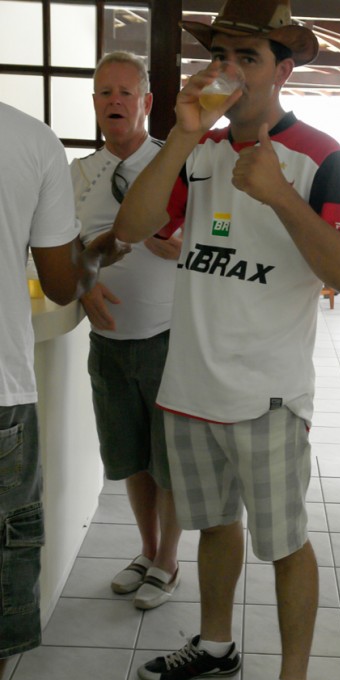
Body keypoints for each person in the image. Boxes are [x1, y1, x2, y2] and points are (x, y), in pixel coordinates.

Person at [114, 0, 340, 680]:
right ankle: (217, 644)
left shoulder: (320, 157)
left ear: (283, 70)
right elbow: (133, 228)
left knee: (285, 543)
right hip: (191, 386)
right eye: (220, 56)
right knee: (213, 526)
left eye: (247, 58)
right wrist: (181, 136)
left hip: (270, 395)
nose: (228, 71)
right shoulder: (198, 151)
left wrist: (282, 195)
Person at [0, 101, 128, 680]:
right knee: (3, 558)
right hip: (0, 393)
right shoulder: (29, 139)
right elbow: (59, 282)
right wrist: (98, 252)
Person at [71, 51, 182, 611]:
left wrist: (183, 246)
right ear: (94, 103)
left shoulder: (176, 164)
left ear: (146, 102)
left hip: (170, 338)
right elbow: (60, 249)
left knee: (170, 460)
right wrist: (82, 282)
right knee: (132, 458)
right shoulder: (77, 173)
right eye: (104, 92)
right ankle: (147, 549)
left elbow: (218, 240)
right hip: (108, 342)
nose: (114, 100)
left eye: (125, 92)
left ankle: (169, 561)